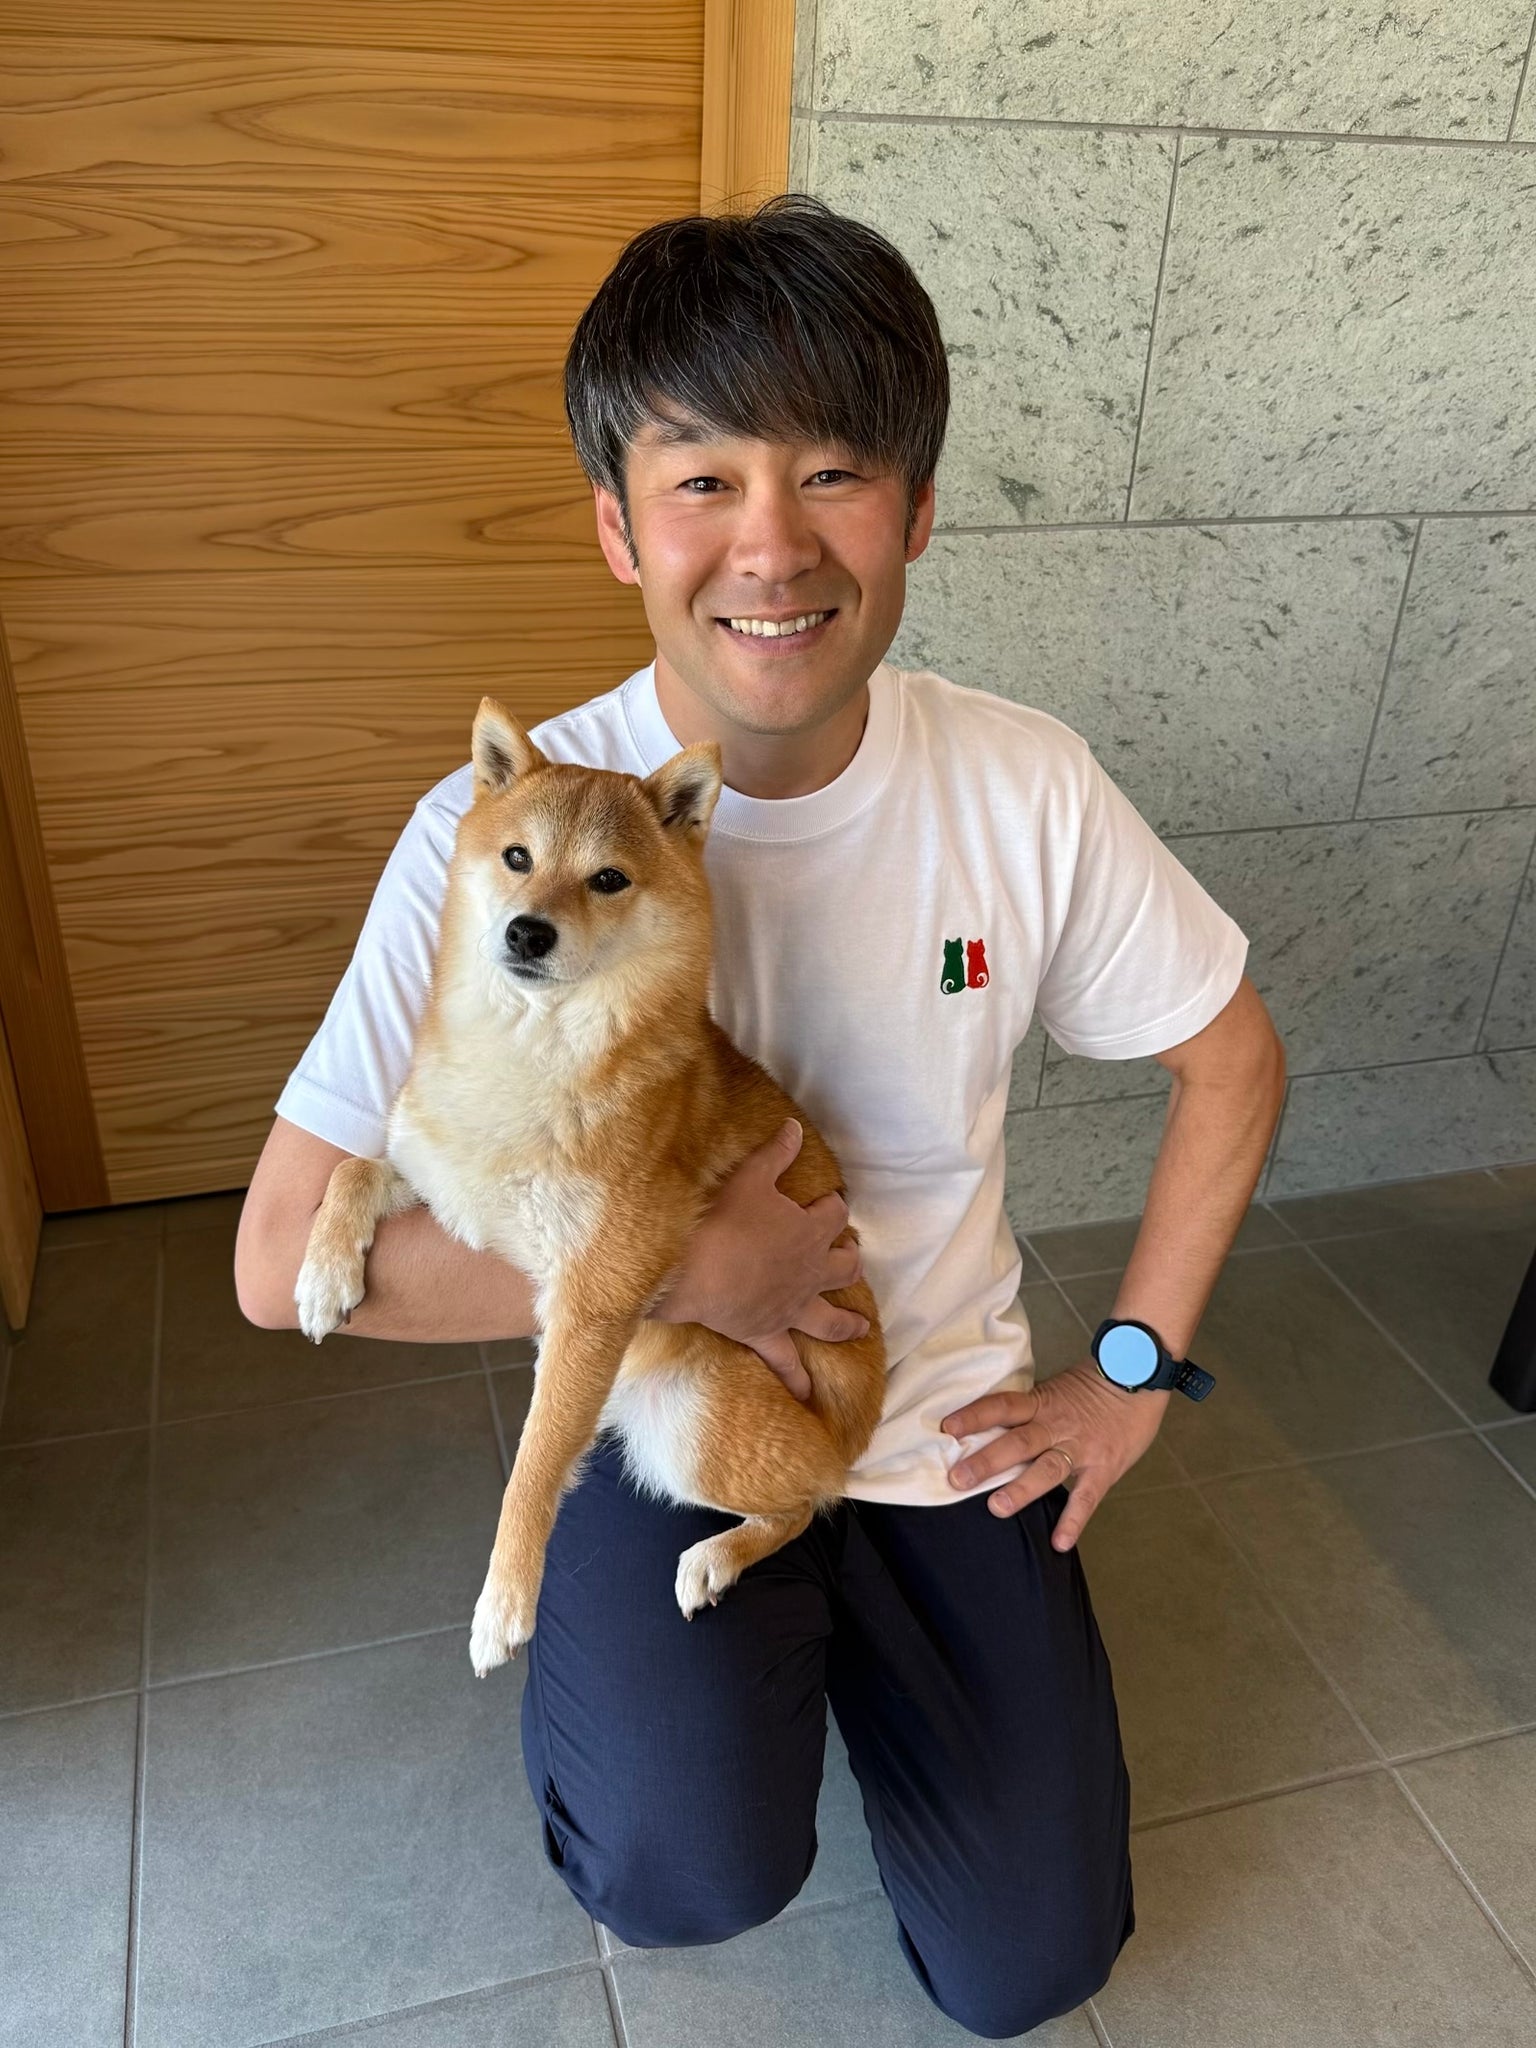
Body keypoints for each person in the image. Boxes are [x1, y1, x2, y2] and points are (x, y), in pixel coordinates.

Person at [235, 195, 1286, 2040]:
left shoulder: (1025, 788)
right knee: (677, 1873)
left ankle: (877, 1636)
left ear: (918, 512)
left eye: (834, 473)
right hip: (660, 1394)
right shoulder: (495, 842)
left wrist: (1127, 1377)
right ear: (618, 525)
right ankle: (665, 1687)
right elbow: (278, 1265)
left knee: (1031, 1963)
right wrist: (686, 1274)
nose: (772, 546)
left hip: (940, 1409)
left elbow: (1233, 1059)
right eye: (703, 479)